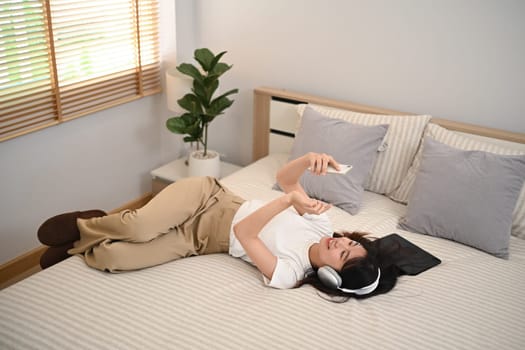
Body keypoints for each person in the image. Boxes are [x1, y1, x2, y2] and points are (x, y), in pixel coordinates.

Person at [38, 152, 399, 299]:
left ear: (331, 278)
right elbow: (285, 179)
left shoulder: (290, 274)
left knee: (114, 260)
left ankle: (75, 246)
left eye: (343, 256)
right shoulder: (320, 226)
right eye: (349, 243)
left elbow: (244, 235)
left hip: (201, 240)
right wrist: (307, 160)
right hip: (209, 199)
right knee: (139, 228)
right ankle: (92, 222)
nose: (339, 244)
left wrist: (288, 202)